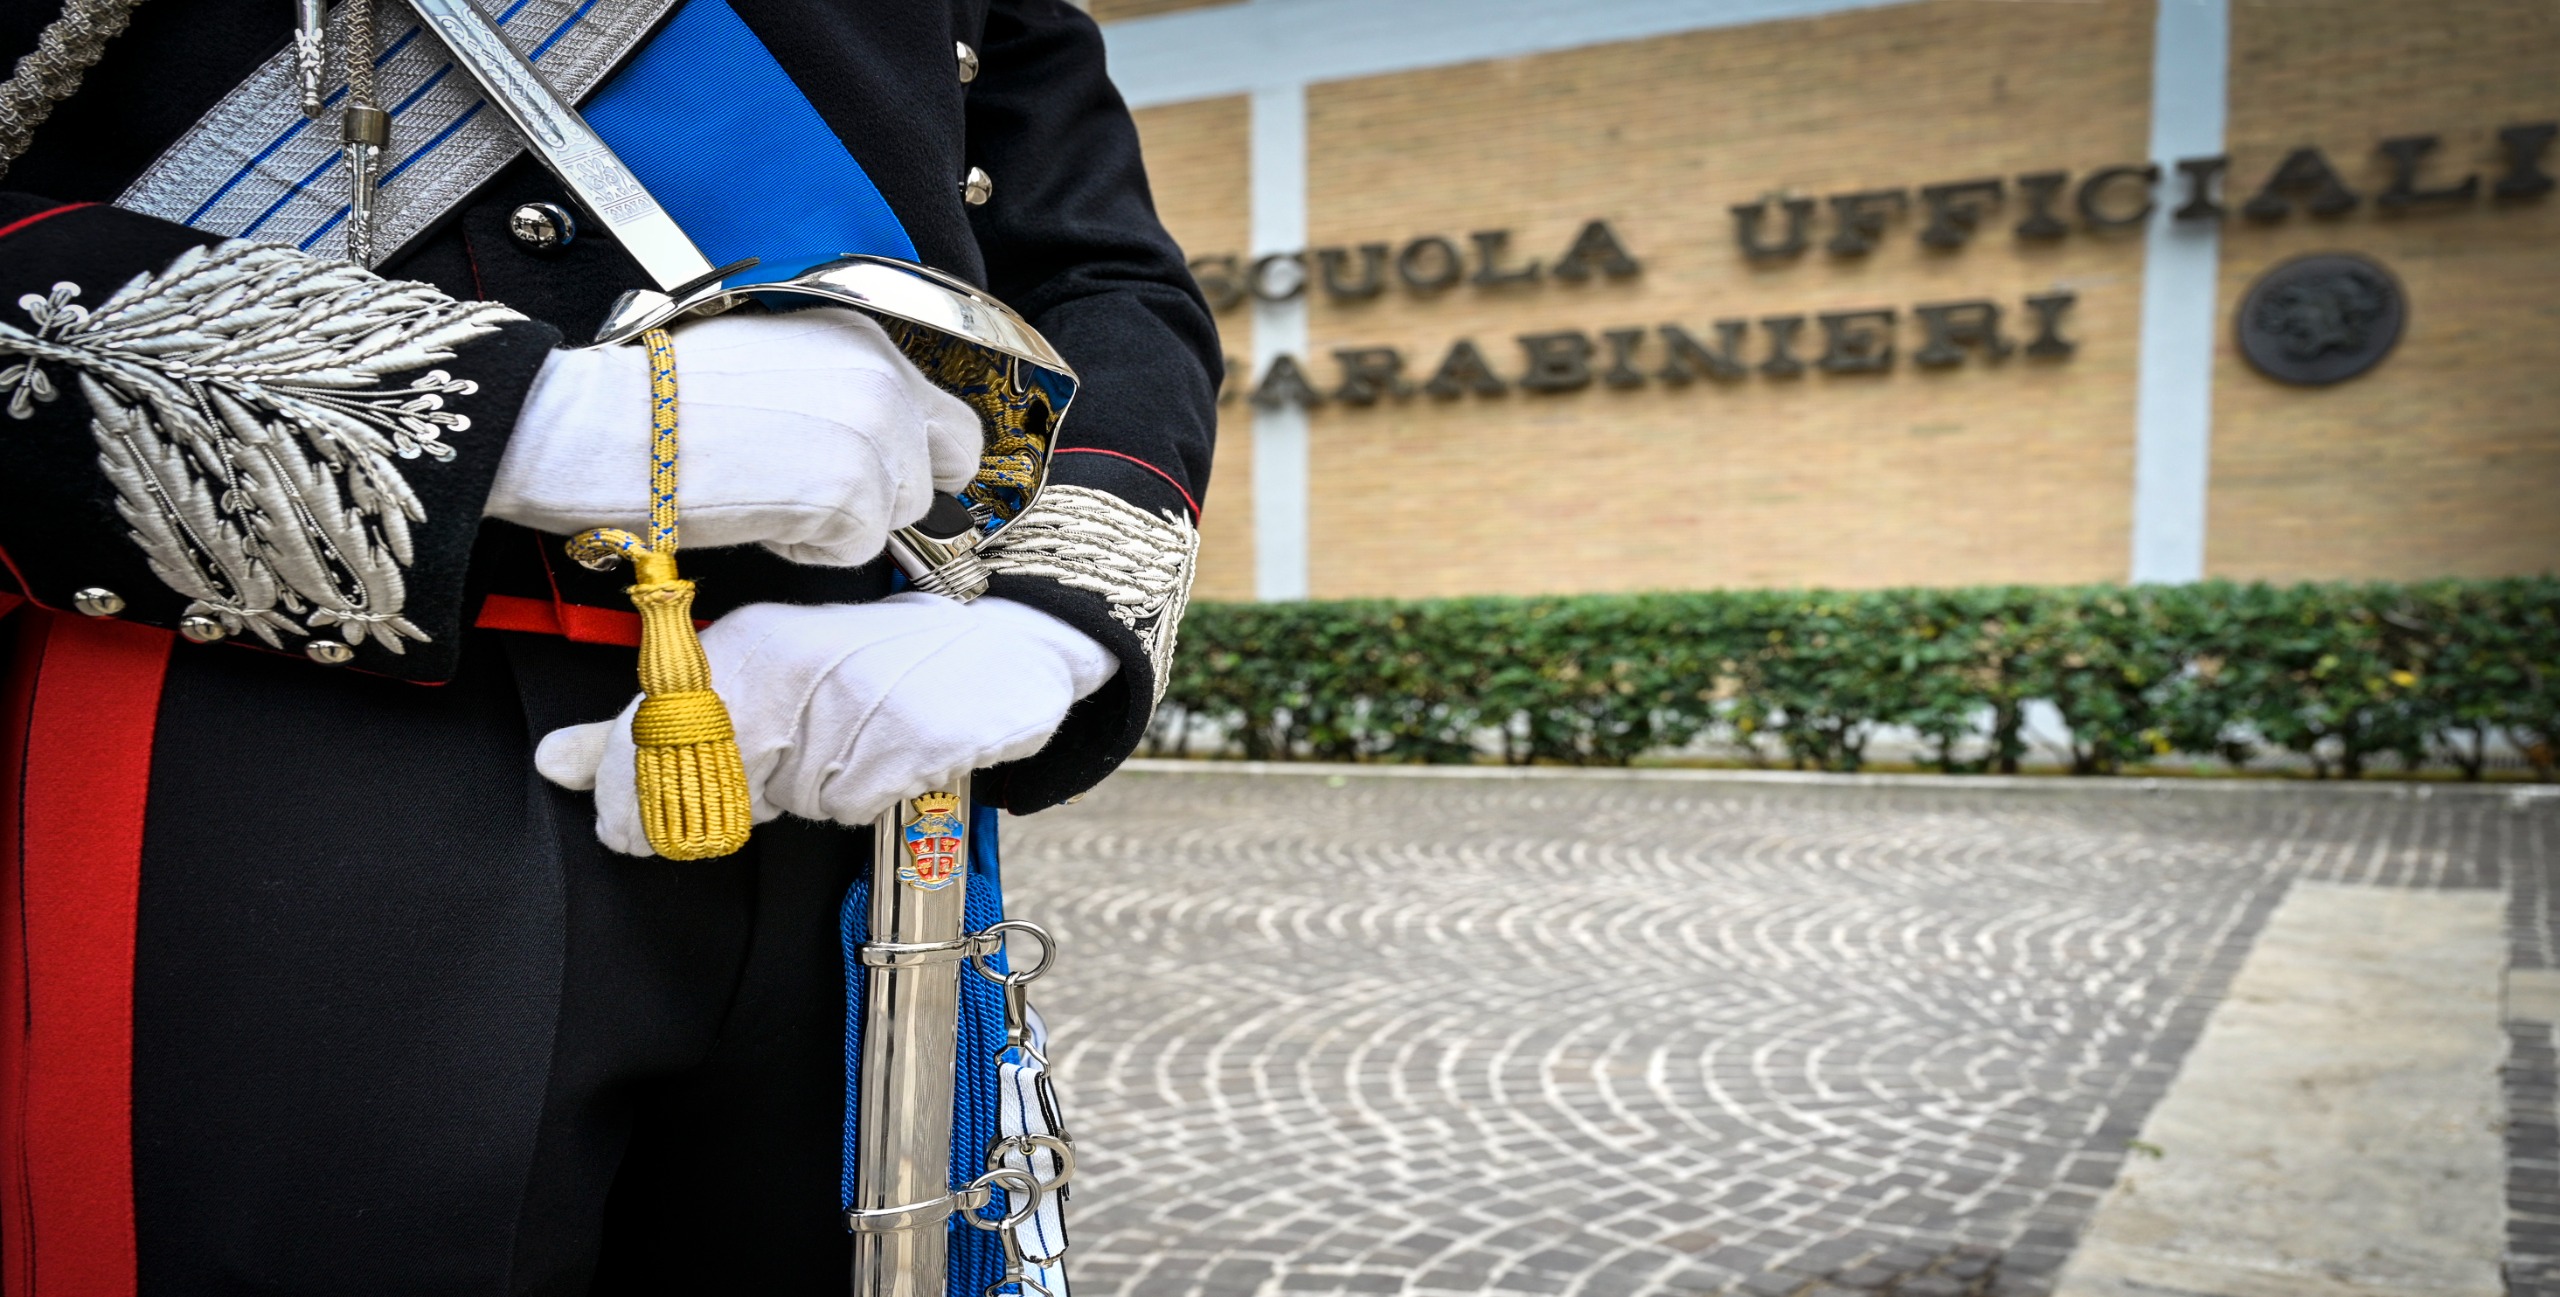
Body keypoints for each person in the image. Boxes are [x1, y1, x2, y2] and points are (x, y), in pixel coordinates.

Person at [0, 0, 1216, 1291]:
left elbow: (1101, 272)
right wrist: (531, 422)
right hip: (281, 738)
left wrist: (1050, 618)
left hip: (841, 761)